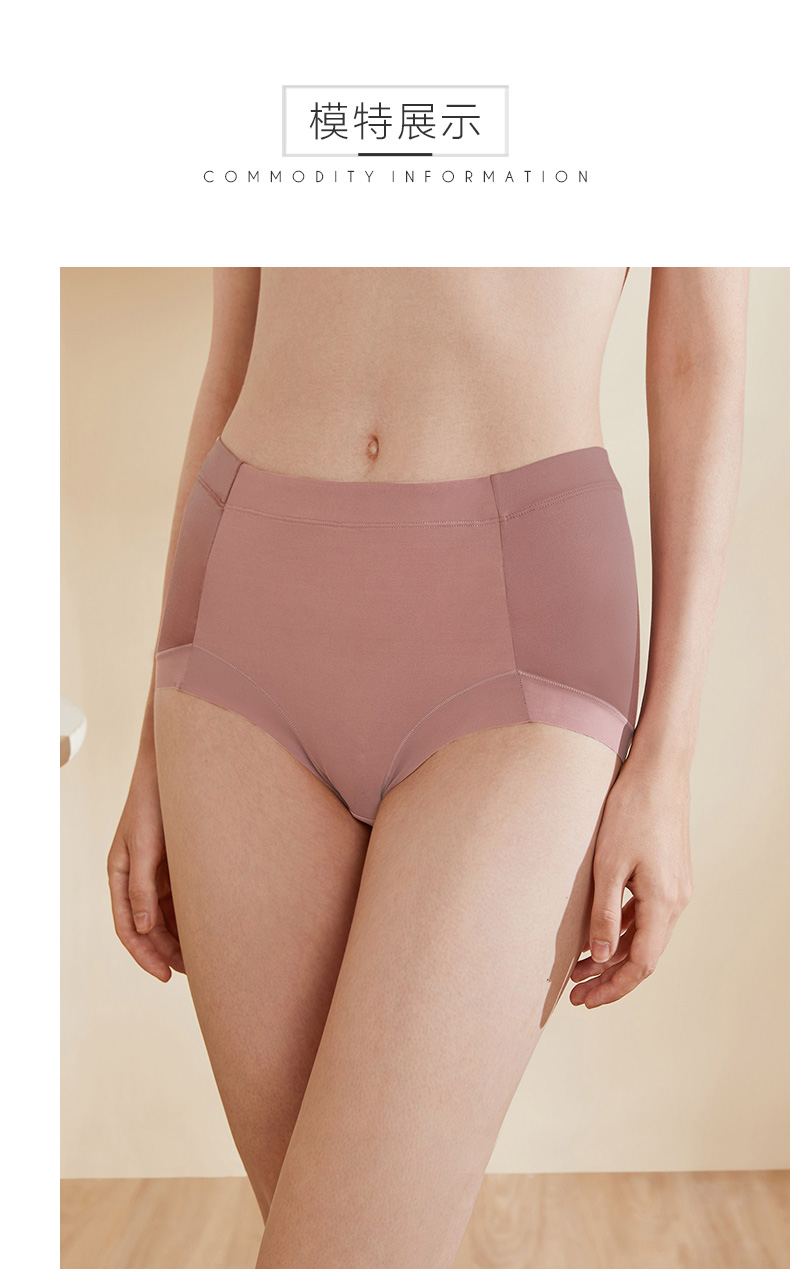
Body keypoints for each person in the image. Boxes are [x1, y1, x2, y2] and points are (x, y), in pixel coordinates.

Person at [107, 267, 748, 1268]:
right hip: (240, 621)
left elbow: (698, 357)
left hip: (522, 628)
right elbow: (232, 352)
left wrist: (666, 759)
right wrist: (153, 732)